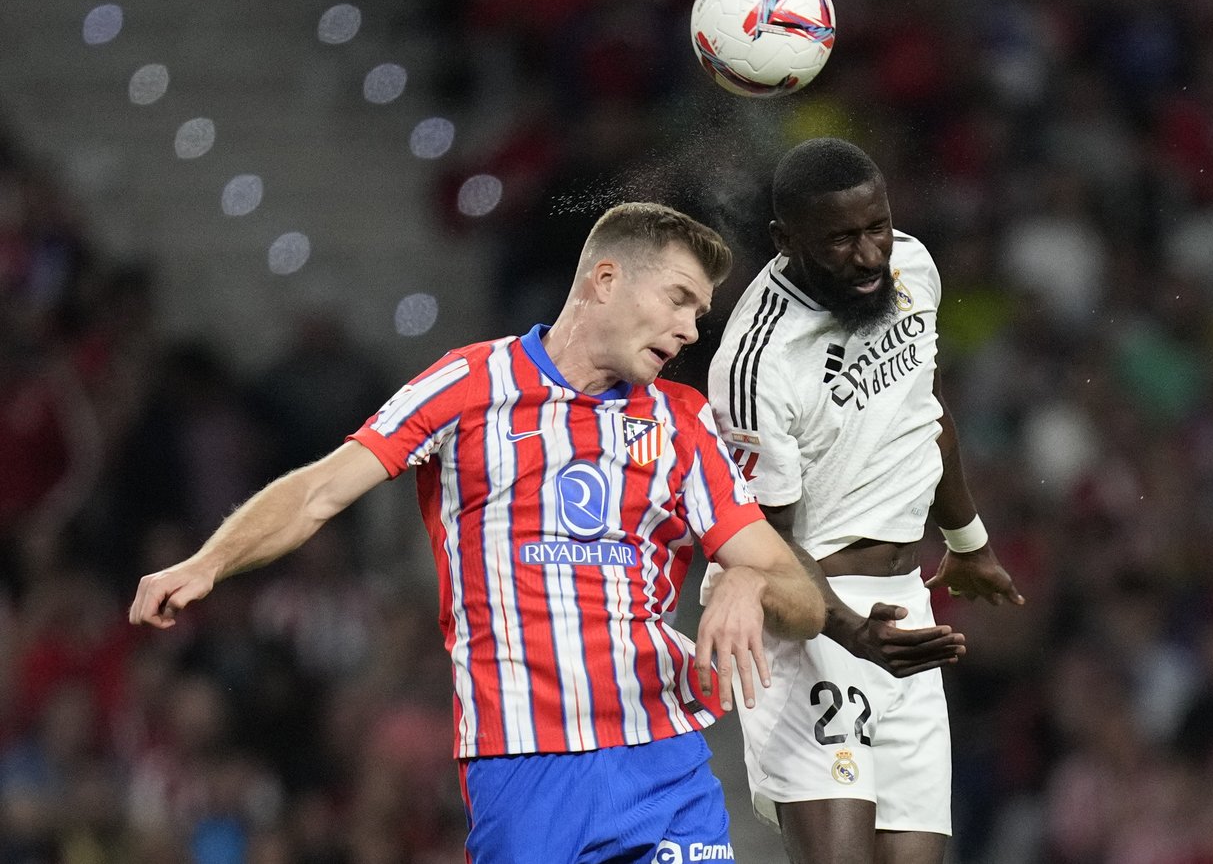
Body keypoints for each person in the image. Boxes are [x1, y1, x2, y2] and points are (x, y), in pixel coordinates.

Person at [129, 202, 825, 864]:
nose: (691, 328)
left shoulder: (682, 420)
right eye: (678, 298)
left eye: (701, 312)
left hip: (663, 756)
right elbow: (318, 491)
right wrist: (209, 561)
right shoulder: (468, 386)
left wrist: (747, 576)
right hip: (524, 763)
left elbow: (804, 599)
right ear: (605, 279)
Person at [704, 138, 1024, 864]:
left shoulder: (913, 267)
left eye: (876, 226)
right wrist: (851, 634)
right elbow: (760, 542)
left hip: (902, 610)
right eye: (841, 239)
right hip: (809, 624)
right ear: (786, 241)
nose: (870, 253)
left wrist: (968, 542)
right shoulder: (759, 362)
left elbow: (925, 415)